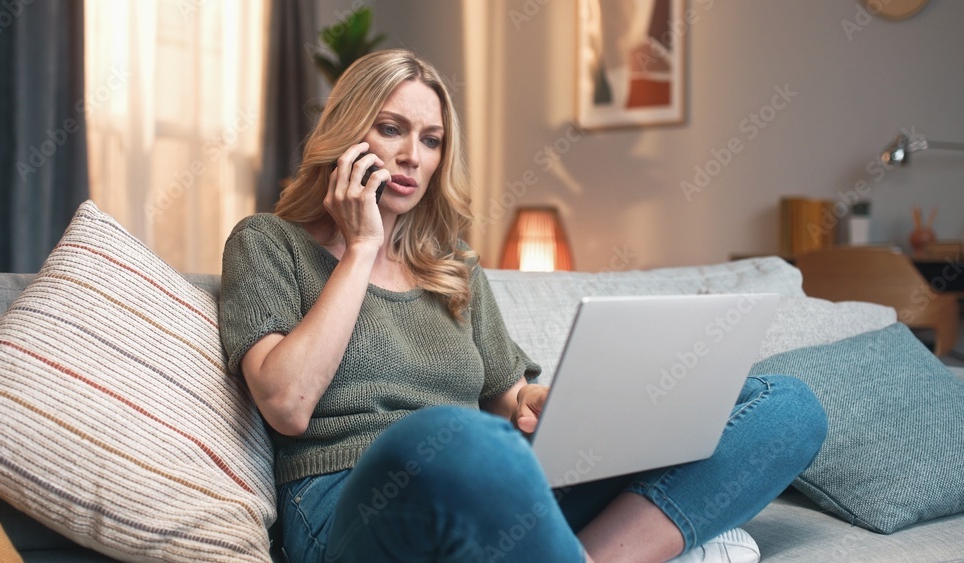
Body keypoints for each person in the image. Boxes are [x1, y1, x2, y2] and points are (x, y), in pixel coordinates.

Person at [218, 48, 827, 563]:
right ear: (346, 133)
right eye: (391, 129)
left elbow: (508, 401)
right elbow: (287, 404)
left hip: (494, 484)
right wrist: (361, 248)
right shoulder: (268, 242)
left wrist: (546, 405)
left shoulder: (451, 265)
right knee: (453, 432)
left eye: (431, 140)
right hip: (350, 506)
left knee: (788, 407)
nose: (413, 156)